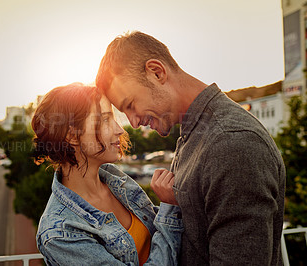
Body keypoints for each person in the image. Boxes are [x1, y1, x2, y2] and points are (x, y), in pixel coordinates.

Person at [96, 31, 286, 265]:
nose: (133, 122)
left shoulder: (232, 143)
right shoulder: (195, 132)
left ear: (157, 72)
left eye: (131, 105)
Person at [31, 82, 183, 265]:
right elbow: (165, 228)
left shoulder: (116, 181)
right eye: (104, 119)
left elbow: (152, 234)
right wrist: (169, 210)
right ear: (71, 136)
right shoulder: (60, 232)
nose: (120, 130)